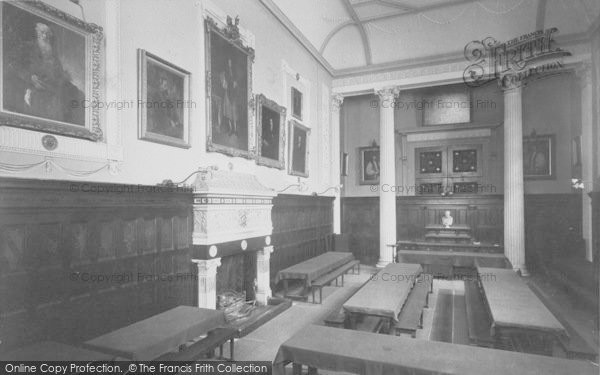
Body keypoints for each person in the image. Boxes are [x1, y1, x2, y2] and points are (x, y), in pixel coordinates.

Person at [5, 22, 84, 125]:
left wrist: (63, 76)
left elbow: (58, 69)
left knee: (75, 92)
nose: (45, 36)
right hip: (32, 82)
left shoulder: (51, 50)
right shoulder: (28, 47)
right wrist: (29, 76)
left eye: (48, 33)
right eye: (42, 32)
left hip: (51, 82)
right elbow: (13, 64)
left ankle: (70, 123)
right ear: (37, 33)